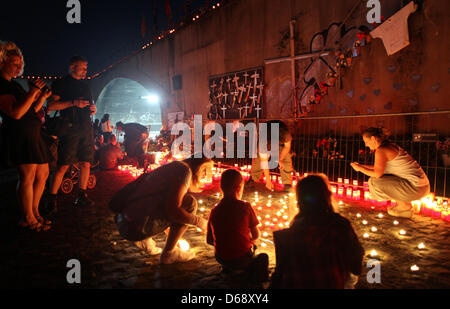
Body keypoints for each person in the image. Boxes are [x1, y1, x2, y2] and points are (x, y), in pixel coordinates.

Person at [270, 174, 364, 289]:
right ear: (327, 196)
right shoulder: (341, 226)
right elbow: (356, 268)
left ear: (299, 201)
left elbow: (279, 276)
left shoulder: (286, 236)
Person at [113, 156, 212, 264]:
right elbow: (173, 211)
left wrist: (174, 237)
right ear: (199, 168)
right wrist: (200, 222)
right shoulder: (185, 171)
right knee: (189, 203)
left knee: (179, 203)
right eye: (204, 173)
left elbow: (161, 204)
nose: (203, 177)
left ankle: (144, 239)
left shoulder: (172, 167)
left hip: (124, 223)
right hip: (136, 228)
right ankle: (169, 253)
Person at [0, 41, 52, 231]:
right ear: (2, 62)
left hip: (33, 133)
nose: (19, 67)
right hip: (21, 135)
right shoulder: (2, 85)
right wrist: (32, 92)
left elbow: (31, 110)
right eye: (14, 63)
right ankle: (27, 217)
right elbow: (15, 113)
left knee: (43, 174)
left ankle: (35, 211)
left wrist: (41, 98)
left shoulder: (14, 85)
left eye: (20, 63)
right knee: (27, 177)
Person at [46, 55, 97, 212]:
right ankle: (51, 199)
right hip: (69, 128)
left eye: (86, 68)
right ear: (72, 67)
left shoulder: (85, 86)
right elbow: (51, 106)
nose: (85, 71)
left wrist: (92, 110)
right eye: (82, 68)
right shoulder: (60, 83)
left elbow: (89, 106)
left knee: (86, 163)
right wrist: (73, 103)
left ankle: (81, 195)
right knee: (63, 165)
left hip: (86, 127)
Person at [350, 127, 430, 218]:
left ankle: (404, 206)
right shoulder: (389, 146)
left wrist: (360, 169)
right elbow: (379, 168)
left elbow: (377, 174)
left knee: (374, 182)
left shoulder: (381, 150)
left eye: (366, 141)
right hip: (422, 187)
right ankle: (404, 207)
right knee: (382, 179)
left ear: (373, 139)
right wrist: (361, 166)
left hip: (416, 189)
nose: (366, 145)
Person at [207, 169, 269, 283]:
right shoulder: (245, 207)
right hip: (242, 257)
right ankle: (250, 275)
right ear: (239, 188)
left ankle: (230, 270)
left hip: (221, 258)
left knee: (233, 256)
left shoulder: (214, 211)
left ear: (221, 187)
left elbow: (209, 240)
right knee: (263, 257)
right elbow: (256, 235)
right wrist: (246, 238)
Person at [248, 120, 294, 192]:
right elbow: (264, 161)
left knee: (286, 157)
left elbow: (287, 147)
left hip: (280, 141)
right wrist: (268, 181)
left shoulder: (285, 134)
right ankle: (253, 178)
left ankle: (287, 184)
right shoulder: (263, 140)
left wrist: (280, 159)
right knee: (259, 159)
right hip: (268, 136)